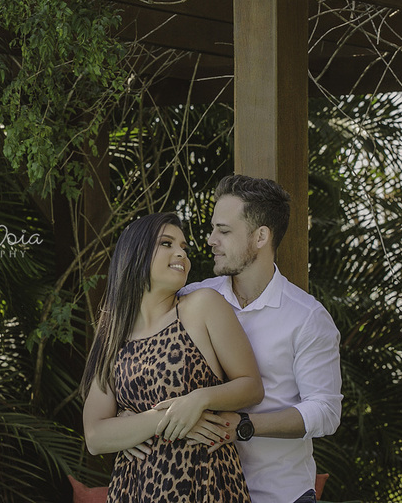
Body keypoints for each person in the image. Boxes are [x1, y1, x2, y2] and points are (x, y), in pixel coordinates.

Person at [178, 175, 343, 503]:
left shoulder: (307, 317)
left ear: (260, 237)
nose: (211, 240)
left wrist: (244, 425)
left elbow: (325, 410)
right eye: (213, 229)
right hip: (203, 491)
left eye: (224, 231)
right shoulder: (191, 299)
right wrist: (131, 417)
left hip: (280, 494)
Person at [81, 211, 264, 502]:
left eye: (183, 247)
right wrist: (166, 419)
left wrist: (199, 400)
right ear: (135, 253)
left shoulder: (202, 306)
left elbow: (251, 386)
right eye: (166, 243)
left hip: (204, 484)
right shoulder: (114, 335)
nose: (181, 253)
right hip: (134, 490)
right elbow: (95, 436)